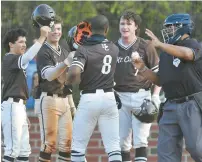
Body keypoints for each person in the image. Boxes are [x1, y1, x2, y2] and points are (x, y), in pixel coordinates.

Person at [132, 13, 202, 162]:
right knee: (166, 154)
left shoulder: (194, 44)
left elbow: (188, 55)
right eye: (168, 27)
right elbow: (160, 81)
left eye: (172, 26)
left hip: (191, 104)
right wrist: (143, 69)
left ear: (183, 28)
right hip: (170, 105)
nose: (169, 30)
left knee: (197, 149)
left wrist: (160, 45)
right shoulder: (165, 53)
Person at [67, 15, 122, 162]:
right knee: (114, 148)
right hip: (109, 98)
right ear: (107, 29)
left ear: (90, 29)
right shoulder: (114, 48)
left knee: (77, 149)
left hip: (90, 98)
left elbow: (73, 73)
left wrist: (69, 80)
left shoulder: (84, 49)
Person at [114, 11, 161, 162]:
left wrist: (155, 96)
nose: (125, 27)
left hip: (141, 96)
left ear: (136, 27)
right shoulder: (113, 48)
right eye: (122, 23)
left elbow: (158, 74)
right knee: (122, 142)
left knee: (140, 141)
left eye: (129, 24)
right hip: (120, 97)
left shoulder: (145, 46)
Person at [1, 26, 50, 162]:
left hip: (18, 107)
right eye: (20, 42)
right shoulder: (10, 58)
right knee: (11, 151)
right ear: (11, 44)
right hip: (11, 106)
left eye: (25, 41)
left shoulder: (16, 60)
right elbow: (28, 56)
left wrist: (22, 113)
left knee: (24, 152)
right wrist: (42, 37)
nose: (24, 44)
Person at [35, 16, 74, 162]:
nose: (56, 32)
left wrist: (71, 104)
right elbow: (49, 75)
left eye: (58, 29)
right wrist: (65, 63)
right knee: (49, 144)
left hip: (64, 99)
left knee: (67, 145)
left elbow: (67, 81)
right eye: (52, 29)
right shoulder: (43, 51)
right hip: (49, 99)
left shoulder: (64, 51)